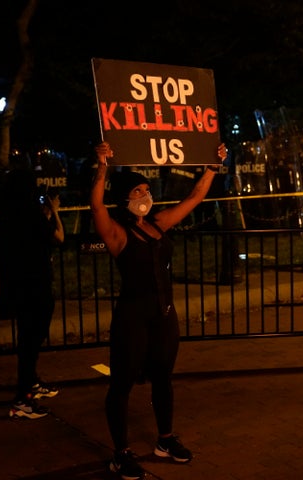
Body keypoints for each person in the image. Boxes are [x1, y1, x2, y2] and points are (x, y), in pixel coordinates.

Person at [91, 141, 227, 480]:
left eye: (147, 190)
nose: (144, 196)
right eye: (137, 191)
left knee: (164, 379)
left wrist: (212, 166)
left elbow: (195, 198)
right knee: (121, 384)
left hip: (164, 315)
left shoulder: (159, 222)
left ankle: (165, 440)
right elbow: (95, 206)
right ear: (124, 198)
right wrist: (102, 166)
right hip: (132, 318)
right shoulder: (117, 233)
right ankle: (121, 454)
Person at [0, 168, 65, 419]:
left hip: (18, 284)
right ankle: (23, 398)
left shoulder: (7, 213)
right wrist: (54, 211)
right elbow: (58, 237)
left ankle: (31, 384)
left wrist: (44, 214)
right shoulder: (29, 212)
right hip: (36, 285)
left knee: (28, 338)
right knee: (32, 340)